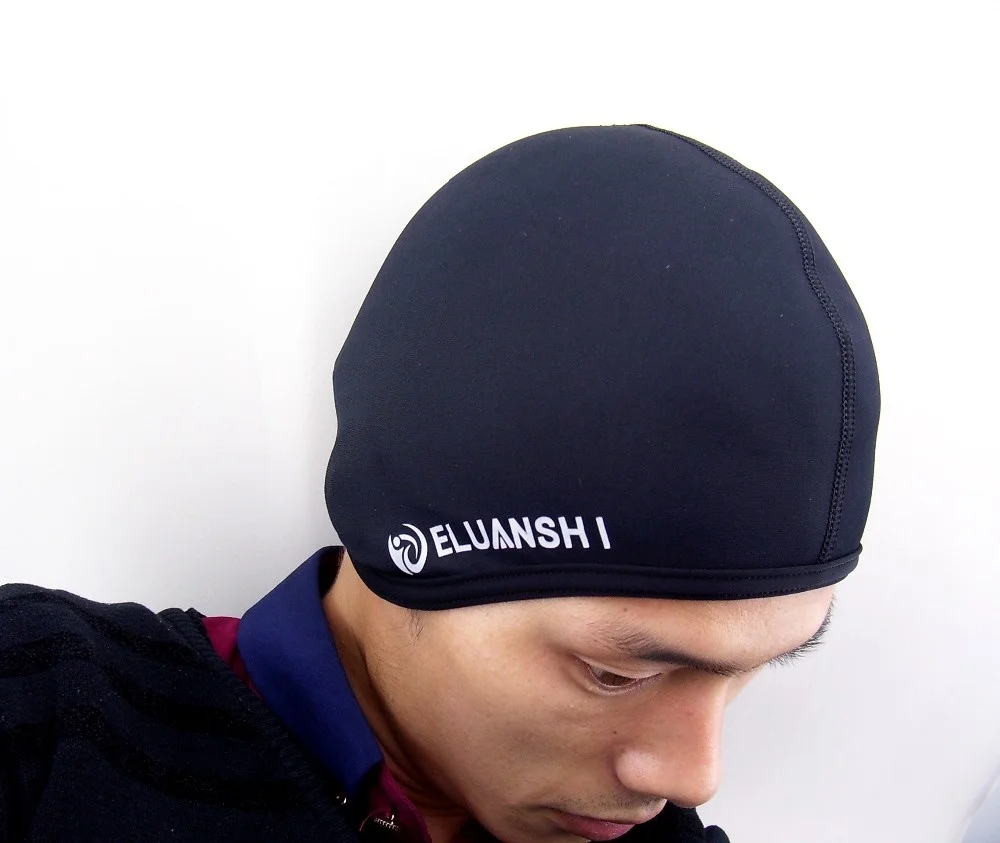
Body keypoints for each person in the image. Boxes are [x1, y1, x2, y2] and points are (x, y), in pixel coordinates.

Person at [0, 124, 880, 843]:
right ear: (415, 548)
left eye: (748, 671)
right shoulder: (42, 720)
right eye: (615, 672)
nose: (692, 776)